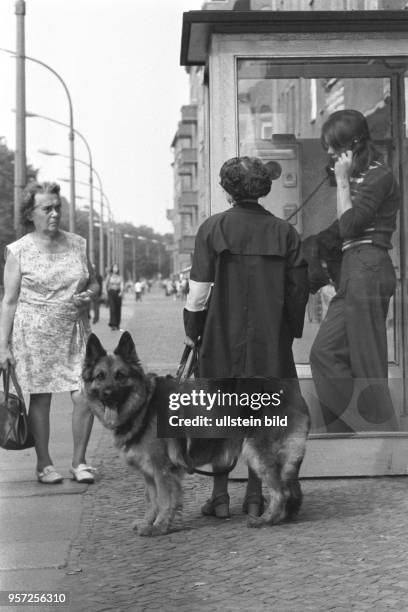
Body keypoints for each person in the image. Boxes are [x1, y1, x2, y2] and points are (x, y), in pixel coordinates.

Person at [183, 156, 309, 518]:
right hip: (269, 341)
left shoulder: (212, 228)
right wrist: (287, 331)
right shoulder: (285, 233)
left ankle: (220, 498)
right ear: (263, 190)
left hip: (220, 337)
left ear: (227, 190)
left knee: (220, 415)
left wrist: (193, 330)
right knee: (264, 417)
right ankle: (255, 496)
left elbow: (199, 291)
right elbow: (298, 290)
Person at [0, 181, 100, 484]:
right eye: (47, 208)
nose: (55, 213)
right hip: (34, 336)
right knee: (41, 400)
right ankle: (44, 464)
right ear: (31, 214)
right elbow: (9, 300)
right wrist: (3, 346)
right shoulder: (18, 251)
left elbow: (94, 282)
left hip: (75, 332)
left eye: (58, 207)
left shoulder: (78, 243)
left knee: (85, 395)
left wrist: (91, 294)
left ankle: (79, 462)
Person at [310, 109, 400, 432]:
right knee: (324, 353)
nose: (330, 153)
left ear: (355, 143)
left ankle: (383, 435)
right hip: (353, 270)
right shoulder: (358, 177)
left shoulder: (379, 176)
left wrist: (342, 180)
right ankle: (349, 425)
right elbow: (339, 231)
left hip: (369, 267)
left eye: (335, 146)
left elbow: (349, 226)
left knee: (367, 359)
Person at [105, 263, 124, 331]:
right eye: (114, 267)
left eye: (116, 267)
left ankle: (117, 324)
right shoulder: (109, 276)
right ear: (112, 268)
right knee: (112, 309)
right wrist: (106, 292)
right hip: (111, 293)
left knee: (118, 309)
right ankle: (113, 324)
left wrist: (121, 292)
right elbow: (106, 284)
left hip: (118, 293)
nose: (115, 269)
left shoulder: (120, 276)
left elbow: (122, 284)